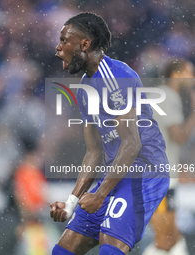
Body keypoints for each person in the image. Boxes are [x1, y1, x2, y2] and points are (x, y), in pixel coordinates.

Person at [50, 12, 169, 255]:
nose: (58, 47)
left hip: (143, 172)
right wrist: (72, 202)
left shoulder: (117, 77)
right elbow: (95, 151)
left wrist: (100, 194)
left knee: (110, 249)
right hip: (115, 174)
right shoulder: (85, 87)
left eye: (64, 40)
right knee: (62, 252)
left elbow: (132, 144)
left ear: (85, 44)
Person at [143, 59, 195, 255]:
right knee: (165, 239)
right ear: (176, 75)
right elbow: (179, 137)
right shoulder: (166, 97)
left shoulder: (159, 95)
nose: (192, 79)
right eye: (189, 73)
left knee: (172, 238)